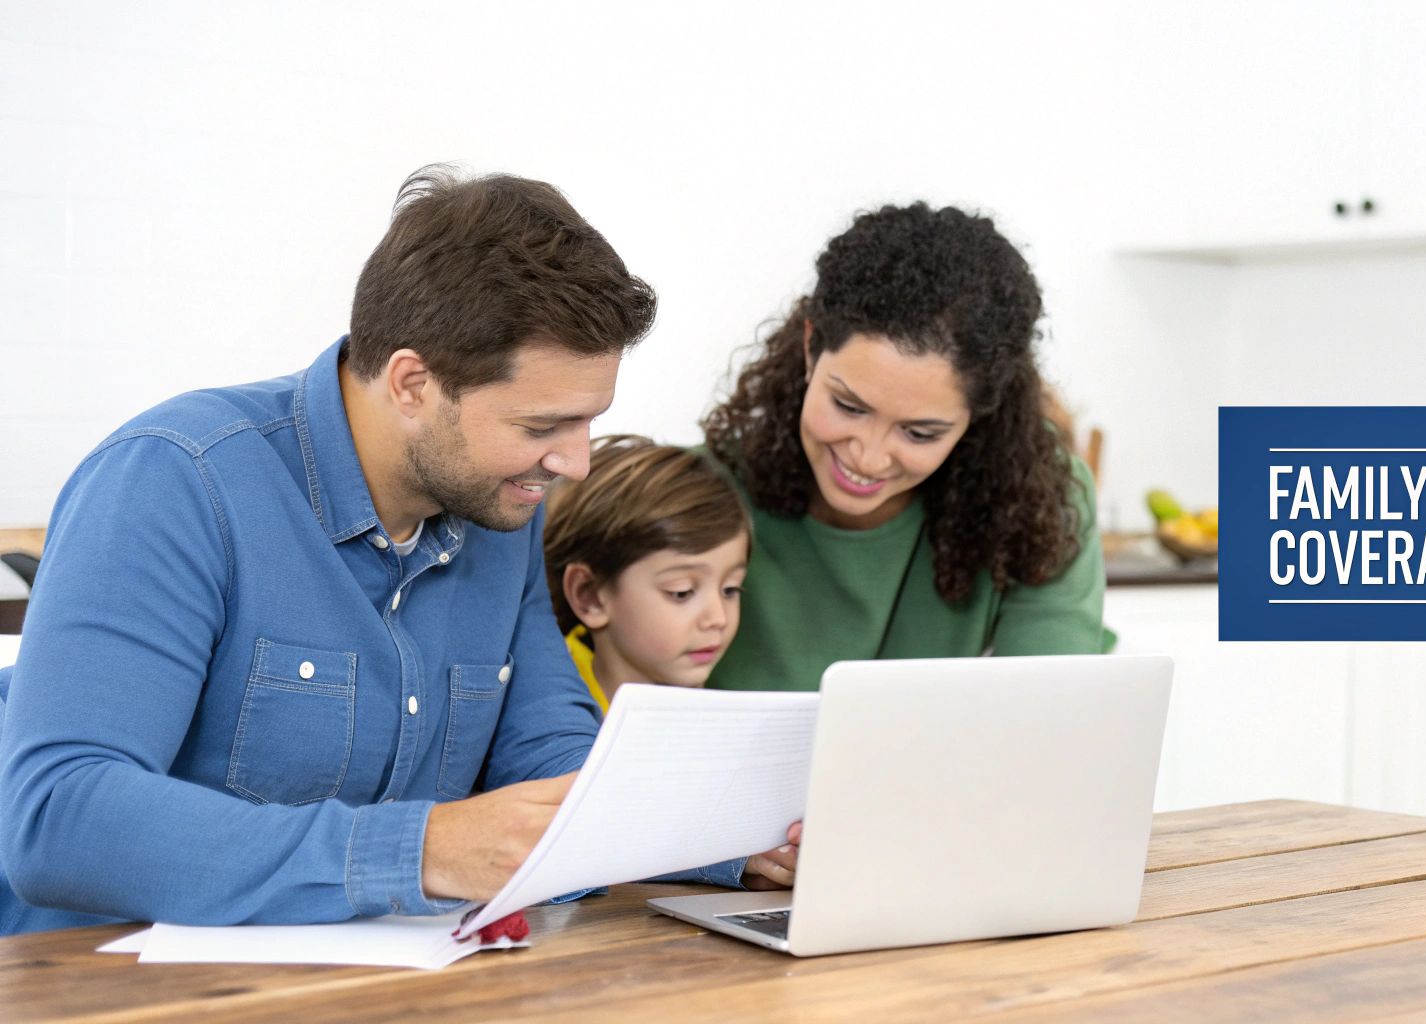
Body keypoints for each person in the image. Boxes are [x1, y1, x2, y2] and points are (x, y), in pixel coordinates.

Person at [0, 167, 787, 936]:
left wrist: (725, 841)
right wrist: (424, 850)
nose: (575, 463)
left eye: (587, 422)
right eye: (542, 426)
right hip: (117, 985)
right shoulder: (174, 481)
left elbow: (550, 758)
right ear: (413, 383)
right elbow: (59, 815)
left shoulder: (502, 508)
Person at [700, 201, 1111, 693]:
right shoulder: (699, 493)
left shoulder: (1040, 502)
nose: (868, 458)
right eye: (849, 406)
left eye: (920, 433)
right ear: (812, 347)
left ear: (978, 415)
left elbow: (1050, 714)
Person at [542, 436, 750, 710]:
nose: (718, 618)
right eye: (682, 592)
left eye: (730, 589)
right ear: (589, 595)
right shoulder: (545, 703)